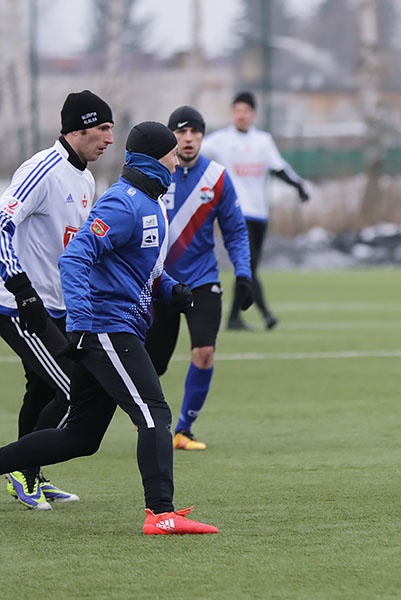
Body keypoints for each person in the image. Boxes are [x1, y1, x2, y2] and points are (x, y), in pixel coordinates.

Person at [0, 121, 218, 534]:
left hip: (118, 328)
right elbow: (75, 259)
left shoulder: (151, 203)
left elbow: (142, 269)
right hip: (105, 329)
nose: (177, 158)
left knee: (81, 437)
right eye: (171, 152)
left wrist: (172, 291)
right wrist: (81, 325)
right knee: (153, 412)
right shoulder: (123, 203)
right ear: (156, 157)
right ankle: (160, 513)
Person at [0, 90, 114, 509]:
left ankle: (29, 473)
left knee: (42, 391)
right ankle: (21, 469)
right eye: (103, 128)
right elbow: (1, 225)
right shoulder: (42, 169)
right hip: (17, 305)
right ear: (78, 128)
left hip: (58, 304)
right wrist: (20, 287)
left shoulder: (84, 176)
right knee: (70, 389)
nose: (109, 138)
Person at [145, 106, 254, 452]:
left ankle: (183, 430)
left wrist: (244, 274)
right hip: (160, 282)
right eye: (181, 132)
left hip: (203, 281)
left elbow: (236, 231)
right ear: (171, 136)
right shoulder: (155, 174)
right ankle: (143, 423)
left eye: (194, 132)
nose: (188, 138)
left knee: (204, 351)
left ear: (203, 136)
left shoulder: (218, 177)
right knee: (152, 365)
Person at [202, 91, 309, 331]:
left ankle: (233, 318)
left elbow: (279, 167)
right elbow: (192, 153)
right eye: (237, 110)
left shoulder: (263, 141)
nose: (241, 115)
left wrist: (299, 186)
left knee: (250, 268)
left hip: (260, 213)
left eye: (246, 111)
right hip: (236, 212)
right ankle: (266, 314)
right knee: (247, 265)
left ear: (253, 114)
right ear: (232, 113)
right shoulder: (220, 140)